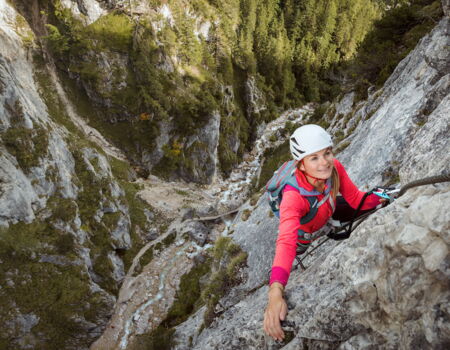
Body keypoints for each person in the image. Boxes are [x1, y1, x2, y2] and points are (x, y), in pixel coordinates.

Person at [263, 124, 384, 341]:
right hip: (305, 231)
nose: (324, 162)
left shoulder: (334, 168)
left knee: (370, 204)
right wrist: (275, 293)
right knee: (297, 249)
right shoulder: (292, 198)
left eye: (326, 153)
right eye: (314, 158)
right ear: (301, 165)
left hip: (326, 209)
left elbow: (357, 200)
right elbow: (286, 243)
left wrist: (384, 196)